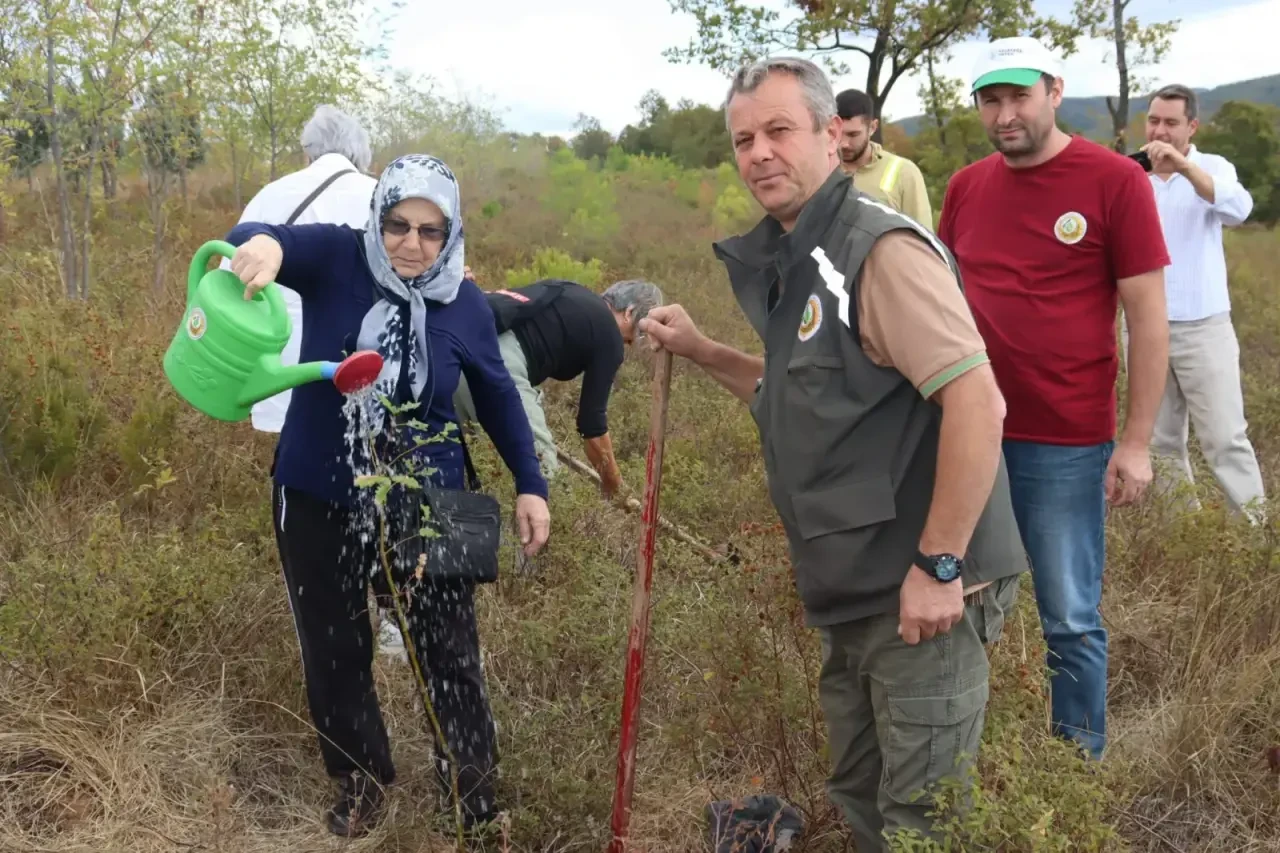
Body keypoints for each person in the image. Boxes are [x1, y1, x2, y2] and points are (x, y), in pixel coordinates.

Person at [639, 56, 1028, 850]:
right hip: (852, 588)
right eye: (744, 139)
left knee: (924, 821)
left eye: (780, 130)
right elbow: (804, 397)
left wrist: (941, 565)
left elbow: (977, 401)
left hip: (918, 591)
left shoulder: (875, 251)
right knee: (861, 795)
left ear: (832, 135)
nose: (760, 153)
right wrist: (705, 350)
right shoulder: (802, 255)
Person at [223, 153, 552, 836]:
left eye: (431, 231)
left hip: (432, 500)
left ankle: (471, 794)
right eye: (398, 224)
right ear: (378, 218)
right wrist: (262, 246)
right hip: (319, 488)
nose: (411, 243)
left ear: (450, 233)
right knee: (335, 645)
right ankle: (360, 779)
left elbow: (497, 394)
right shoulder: (339, 256)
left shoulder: (463, 300)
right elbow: (258, 235)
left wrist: (531, 483)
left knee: (450, 648)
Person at [937, 36, 1171, 761]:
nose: (1005, 114)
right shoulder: (965, 187)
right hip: (969, 432)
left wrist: (1136, 442)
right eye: (991, 100)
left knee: (1068, 615)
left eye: (1020, 96)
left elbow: (1148, 318)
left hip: (1064, 439)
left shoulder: (1114, 180)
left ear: (1055, 91)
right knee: (958, 601)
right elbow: (939, 302)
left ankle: (1078, 766)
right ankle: (961, 760)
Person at [1132, 83, 1264, 523]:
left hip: (1203, 325)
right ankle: (1183, 533)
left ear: (1192, 127)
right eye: (1154, 120)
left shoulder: (1212, 167)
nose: (1160, 131)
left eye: (1171, 123)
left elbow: (1239, 210)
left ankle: (1253, 536)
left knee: (1225, 438)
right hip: (1144, 329)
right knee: (1161, 441)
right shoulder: (1131, 174)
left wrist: (1185, 168)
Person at [224, 104, 378, 433]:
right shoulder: (382, 197)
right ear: (361, 152)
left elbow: (229, 277)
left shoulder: (272, 194)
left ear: (308, 150)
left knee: (291, 451)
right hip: (363, 365)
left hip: (277, 370)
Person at [453, 277, 665, 496]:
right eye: (629, 339)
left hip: (457, 356)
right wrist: (615, 487)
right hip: (498, 366)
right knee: (544, 480)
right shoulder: (609, 332)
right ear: (629, 312)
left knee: (465, 464)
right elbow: (592, 428)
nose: (625, 345)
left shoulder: (569, 290)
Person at [834, 88, 933, 227]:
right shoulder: (821, 171)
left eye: (853, 135)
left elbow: (922, 234)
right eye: (839, 134)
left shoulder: (905, 173)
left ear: (872, 127)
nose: (844, 144)